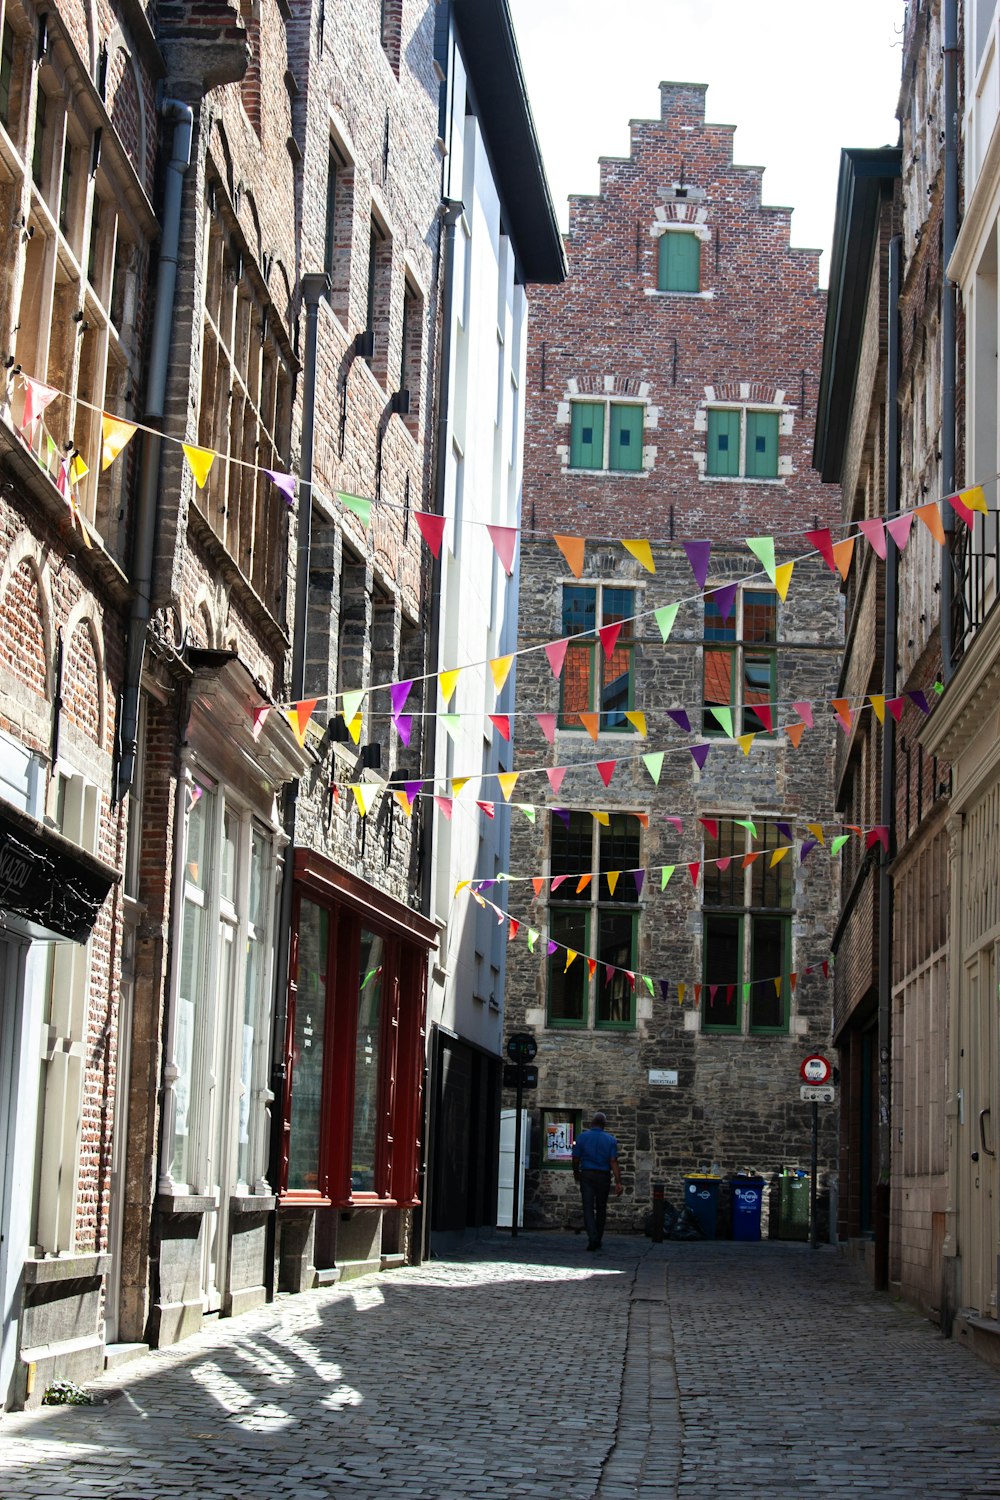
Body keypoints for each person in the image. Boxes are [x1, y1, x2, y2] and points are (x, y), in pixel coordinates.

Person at [572, 1111, 623, 1251]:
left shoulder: (582, 1137)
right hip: (603, 1175)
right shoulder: (611, 1140)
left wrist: (576, 1173)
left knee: (588, 1207)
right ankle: (598, 1237)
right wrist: (618, 1182)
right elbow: (613, 1161)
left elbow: (575, 1159)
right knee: (601, 1207)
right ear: (604, 1125)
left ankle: (592, 1237)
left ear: (591, 1123)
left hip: (587, 1174)